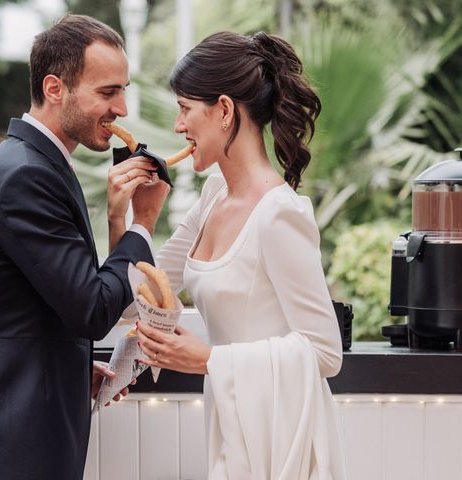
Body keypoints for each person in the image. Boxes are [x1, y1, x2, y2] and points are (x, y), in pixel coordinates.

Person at [0, 15, 169, 480]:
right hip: (9, 447)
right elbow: (93, 312)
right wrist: (144, 222)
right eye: (107, 92)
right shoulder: (27, 176)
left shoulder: (21, 162)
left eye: (122, 90)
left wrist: (67, 363)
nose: (121, 108)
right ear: (55, 88)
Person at [136, 31, 347, 479]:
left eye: (185, 108)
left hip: (276, 437)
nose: (178, 126)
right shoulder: (213, 195)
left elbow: (326, 352)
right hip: (229, 420)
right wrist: (134, 218)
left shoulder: (279, 213)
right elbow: (142, 293)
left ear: (225, 111)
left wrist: (210, 360)